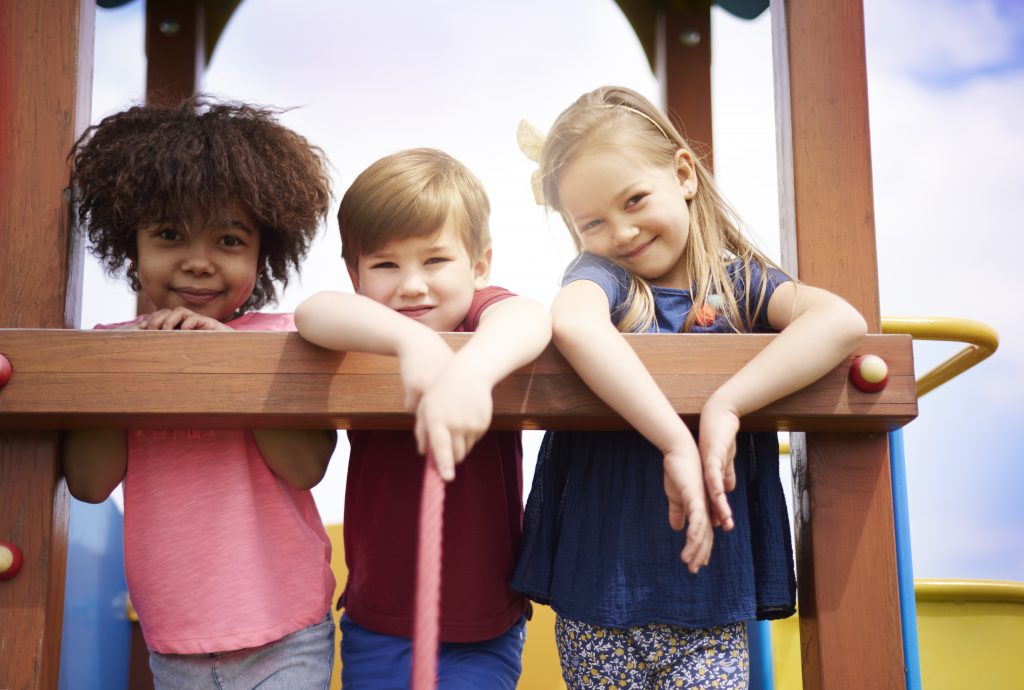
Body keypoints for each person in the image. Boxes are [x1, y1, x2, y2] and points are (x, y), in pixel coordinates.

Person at [511, 86, 868, 689]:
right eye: (592, 222)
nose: (621, 231)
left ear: (683, 174)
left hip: (709, 597)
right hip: (600, 589)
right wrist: (677, 440)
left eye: (634, 200)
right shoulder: (603, 279)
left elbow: (841, 321)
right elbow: (572, 322)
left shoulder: (739, 286)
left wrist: (727, 403)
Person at [62, 98, 339, 690]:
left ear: (265, 250)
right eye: (168, 235)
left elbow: (305, 466)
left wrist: (228, 360)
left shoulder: (285, 338)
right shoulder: (111, 349)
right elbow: (88, 484)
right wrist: (131, 369)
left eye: (229, 241)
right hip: (175, 634)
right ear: (130, 244)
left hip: (286, 627)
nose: (198, 262)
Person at [294, 148, 551, 690]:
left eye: (435, 261)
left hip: (483, 624)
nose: (411, 285)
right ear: (356, 274)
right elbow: (312, 312)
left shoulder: (484, 316)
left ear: (479, 265)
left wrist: (472, 373)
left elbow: (530, 318)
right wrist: (411, 341)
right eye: (386, 265)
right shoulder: (370, 329)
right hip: (378, 619)